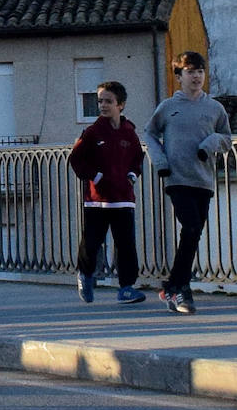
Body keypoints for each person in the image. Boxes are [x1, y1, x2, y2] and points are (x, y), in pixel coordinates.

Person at [143, 51, 232, 314]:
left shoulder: (214, 108)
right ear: (179, 76)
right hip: (176, 177)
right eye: (190, 71)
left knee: (192, 233)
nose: (196, 76)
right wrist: (160, 161)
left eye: (200, 71)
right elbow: (149, 133)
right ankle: (181, 290)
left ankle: (172, 286)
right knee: (191, 227)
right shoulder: (168, 107)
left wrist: (210, 144)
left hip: (203, 179)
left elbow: (226, 136)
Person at [69, 81, 147, 306]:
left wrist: (132, 175)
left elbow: (137, 158)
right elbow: (76, 159)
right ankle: (85, 274)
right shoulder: (93, 132)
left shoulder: (129, 131)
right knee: (92, 243)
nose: (103, 105)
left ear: (120, 105)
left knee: (126, 245)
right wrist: (96, 176)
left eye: (108, 101)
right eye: (100, 101)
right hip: (97, 201)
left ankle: (126, 288)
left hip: (123, 199)